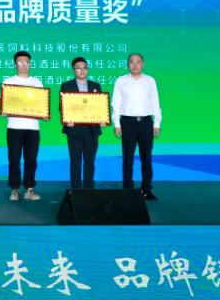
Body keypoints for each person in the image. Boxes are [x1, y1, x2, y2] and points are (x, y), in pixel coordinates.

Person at [112, 53, 162, 201]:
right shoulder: (121, 81)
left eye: (138, 62)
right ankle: (127, 189)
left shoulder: (150, 81)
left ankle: (146, 189)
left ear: (143, 64)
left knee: (146, 158)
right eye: (131, 62)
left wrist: (157, 123)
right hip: (127, 123)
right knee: (127, 159)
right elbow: (116, 103)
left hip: (146, 123)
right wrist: (117, 124)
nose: (135, 65)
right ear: (128, 64)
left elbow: (155, 102)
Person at [0, 51, 44, 201]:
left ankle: (29, 189)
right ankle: (15, 189)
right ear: (15, 64)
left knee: (31, 159)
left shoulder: (37, 82)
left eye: (26, 62)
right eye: (20, 62)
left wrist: (43, 112)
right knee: (14, 159)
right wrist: (3, 107)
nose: (24, 65)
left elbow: (42, 103)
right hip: (14, 127)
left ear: (30, 64)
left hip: (33, 128)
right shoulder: (9, 81)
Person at [60, 56, 103, 190]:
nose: (82, 70)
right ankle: (76, 190)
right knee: (75, 162)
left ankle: (89, 190)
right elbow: (62, 106)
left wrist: (102, 118)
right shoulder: (67, 85)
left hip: (92, 130)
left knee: (90, 162)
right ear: (73, 71)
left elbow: (100, 106)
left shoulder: (95, 86)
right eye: (78, 68)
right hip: (74, 130)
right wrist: (67, 119)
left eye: (84, 67)